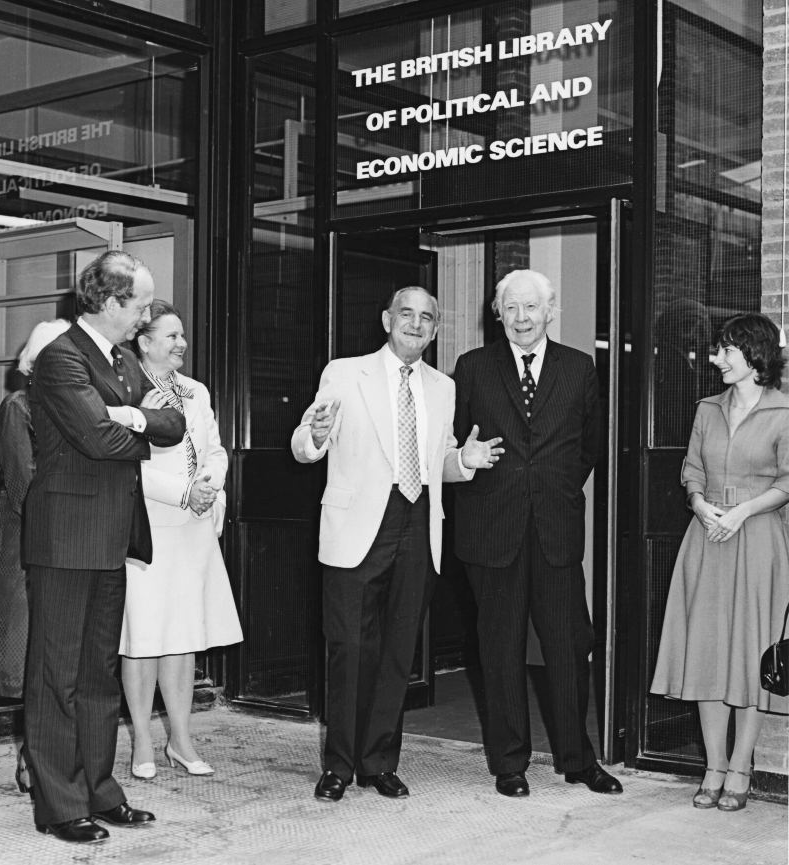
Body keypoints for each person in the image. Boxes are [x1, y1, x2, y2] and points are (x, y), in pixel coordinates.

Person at [291, 286, 503, 802]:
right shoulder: (344, 372)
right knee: (348, 649)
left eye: (427, 317)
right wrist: (314, 434)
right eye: (406, 314)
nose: (415, 323)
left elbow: (440, 462)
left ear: (434, 329)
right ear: (387, 319)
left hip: (418, 525)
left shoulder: (443, 387)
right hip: (358, 526)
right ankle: (339, 765)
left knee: (396, 652)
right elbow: (305, 446)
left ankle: (378, 761)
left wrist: (465, 462)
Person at [22, 251, 186, 844]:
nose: (147, 314)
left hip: (111, 536)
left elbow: (175, 424)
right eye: (141, 304)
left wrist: (131, 417)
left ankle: (98, 789)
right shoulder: (60, 356)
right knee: (55, 677)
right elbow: (94, 439)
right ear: (112, 303)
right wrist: (135, 420)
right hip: (65, 539)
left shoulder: (119, 359)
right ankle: (59, 805)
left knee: (96, 675)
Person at [452, 268, 622, 797]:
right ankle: (509, 763)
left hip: (555, 528)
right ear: (496, 313)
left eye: (532, 308)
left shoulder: (579, 367)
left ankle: (577, 758)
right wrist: (470, 460)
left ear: (550, 312)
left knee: (570, 643)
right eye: (511, 308)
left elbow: (588, 445)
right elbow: (457, 443)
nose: (521, 318)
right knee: (499, 647)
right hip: (491, 531)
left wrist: (556, 486)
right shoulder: (472, 368)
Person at [651, 312, 789, 811]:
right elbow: (691, 470)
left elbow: (788, 481)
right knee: (707, 652)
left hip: (757, 540)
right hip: (707, 537)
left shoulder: (784, 411)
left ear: (755, 357)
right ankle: (712, 765)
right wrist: (701, 504)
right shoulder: (707, 408)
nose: (715, 359)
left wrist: (744, 511)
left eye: (726, 350)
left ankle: (741, 768)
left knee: (751, 654)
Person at [118, 300, 242, 780]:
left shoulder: (195, 391)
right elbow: (128, 463)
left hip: (193, 527)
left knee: (183, 638)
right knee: (144, 637)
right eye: (170, 336)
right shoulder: (126, 393)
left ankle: (182, 742)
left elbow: (214, 448)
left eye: (182, 335)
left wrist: (209, 483)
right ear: (143, 342)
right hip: (148, 528)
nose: (182, 344)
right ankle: (143, 744)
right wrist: (182, 491)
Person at [0, 319, 70, 794]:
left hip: (60, 541)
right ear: (37, 364)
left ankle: (48, 757)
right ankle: (31, 758)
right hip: (25, 543)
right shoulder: (19, 406)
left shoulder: (76, 406)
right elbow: (22, 486)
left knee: (54, 654)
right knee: (28, 655)